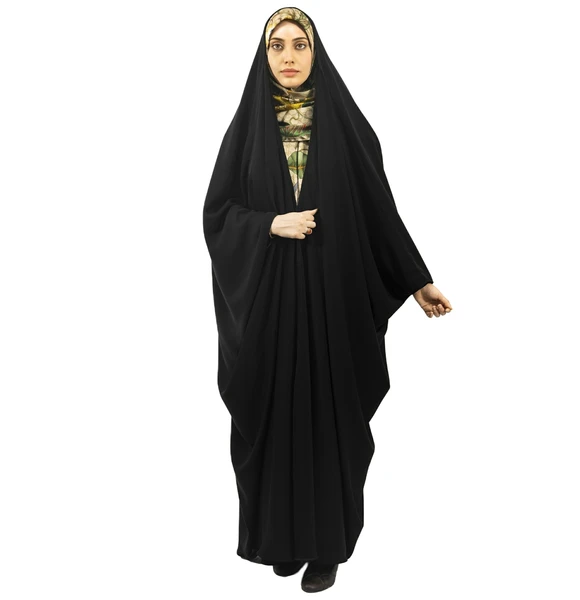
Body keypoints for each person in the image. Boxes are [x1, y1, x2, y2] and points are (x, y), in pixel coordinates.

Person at [203, 6, 453, 593]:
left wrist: (416, 279)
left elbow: (379, 211)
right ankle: (281, 541)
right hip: (269, 308)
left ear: (317, 52)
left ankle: (326, 548)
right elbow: (217, 214)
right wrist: (271, 224)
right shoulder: (246, 130)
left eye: (300, 44)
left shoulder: (347, 127)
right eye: (277, 45)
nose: (288, 56)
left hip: (334, 304)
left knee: (330, 420)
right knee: (272, 416)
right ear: (263, 55)